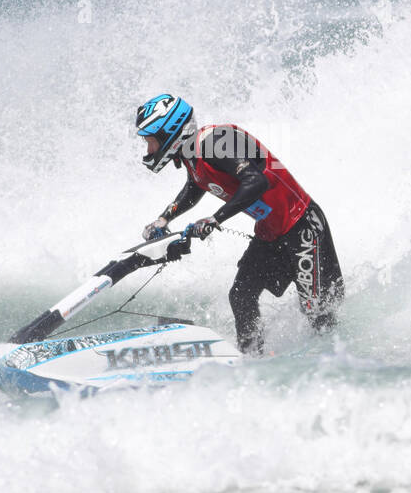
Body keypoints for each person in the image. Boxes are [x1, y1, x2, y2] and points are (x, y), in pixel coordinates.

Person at [135, 93, 343, 355]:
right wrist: (165, 218)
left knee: (318, 313)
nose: (149, 150)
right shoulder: (193, 155)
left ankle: (335, 363)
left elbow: (256, 181)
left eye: (151, 142)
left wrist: (215, 219)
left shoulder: (216, 141)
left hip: (303, 226)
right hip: (271, 234)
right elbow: (196, 184)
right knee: (241, 295)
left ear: (171, 132)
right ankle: (252, 358)